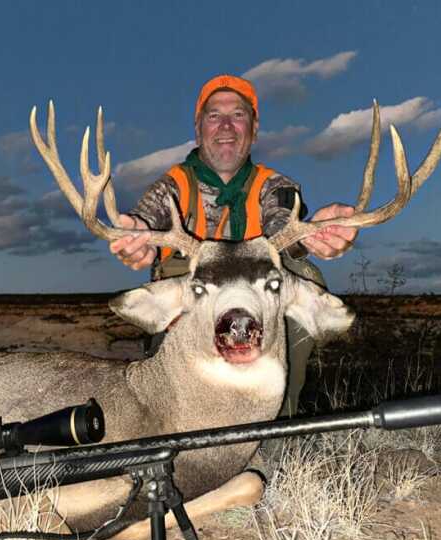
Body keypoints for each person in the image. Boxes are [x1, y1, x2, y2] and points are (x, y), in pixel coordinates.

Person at [108, 75, 357, 416]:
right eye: (214, 115)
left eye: (238, 114)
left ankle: (275, 425)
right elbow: (145, 220)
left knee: (301, 272)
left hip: (257, 316)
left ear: (254, 129)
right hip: (191, 319)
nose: (226, 125)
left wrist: (311, 236)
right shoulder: (172, 188)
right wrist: (136, 236)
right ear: (199, 130)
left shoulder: (275, 186)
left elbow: (281, 221)